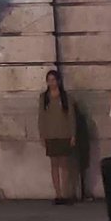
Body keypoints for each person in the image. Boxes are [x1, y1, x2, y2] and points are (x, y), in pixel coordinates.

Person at [38, 69, 77, 204]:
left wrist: (73, 134)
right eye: (49, 80)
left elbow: (71, 117)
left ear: (59, 81)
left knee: (65, 164)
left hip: (64, 133)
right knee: (54, 164)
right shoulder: (44, 98)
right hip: (50, 134)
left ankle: (66, 193)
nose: (51, 83)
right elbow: (41, 117)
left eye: (54, 80)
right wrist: (42, 135)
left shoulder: (66, 97)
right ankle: (58, 194)